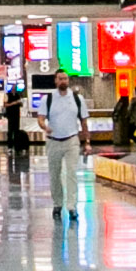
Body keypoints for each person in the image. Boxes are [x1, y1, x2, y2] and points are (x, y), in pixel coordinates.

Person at [42, 80, 89, 217]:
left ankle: (71, 206)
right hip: (53, 141)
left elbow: (84, 121)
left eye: (65, 78)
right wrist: (44, 127)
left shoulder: (77, 99)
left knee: (72, 172)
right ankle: (57, 204)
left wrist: (87, 141)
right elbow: (40, 118)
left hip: (72, 140)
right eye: (60, 78)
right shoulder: (48, 99)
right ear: (55, 80)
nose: (63, 81)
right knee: (54, 174)